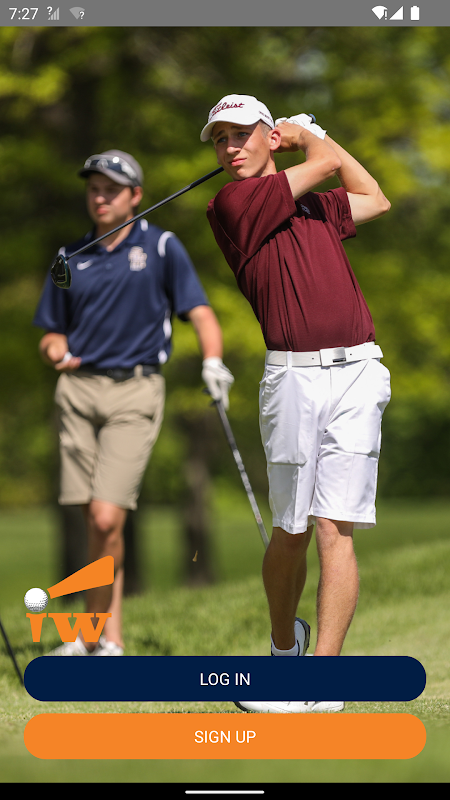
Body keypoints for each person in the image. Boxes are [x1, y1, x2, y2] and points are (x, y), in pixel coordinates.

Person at [200, 95, 391, 713]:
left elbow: (374, 198)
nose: (230, 147)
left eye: (241, 134)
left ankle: (322, 681)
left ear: (267, 135)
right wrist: (308, 136)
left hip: (358, 370)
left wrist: (311, 137)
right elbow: (327, 163)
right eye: (220, 139)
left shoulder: (311, 205)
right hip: (293, 380)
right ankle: (285, 653)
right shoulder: (232, 203)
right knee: (292, 530)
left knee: (337, 527)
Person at [33, 149, 234, 656]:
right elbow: (51, 330)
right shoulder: (69, 256)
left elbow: (200, 312)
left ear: (136, 196)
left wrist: (213, 361)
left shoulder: (162, 246)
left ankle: (95, 638)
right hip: (78, 391)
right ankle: (106, 639)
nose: (100, 197)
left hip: (135, 390)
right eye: (93, 189)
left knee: (107, 518)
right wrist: (55, 350)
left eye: (111, 189)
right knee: (94, 522)